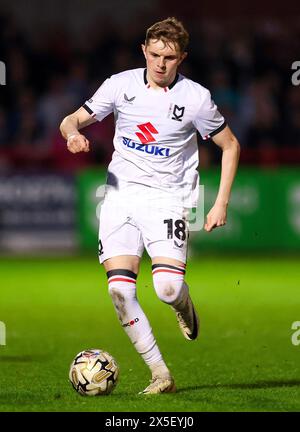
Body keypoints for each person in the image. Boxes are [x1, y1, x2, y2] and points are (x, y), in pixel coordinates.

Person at [60, 17, 240, 394]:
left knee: (168, 289)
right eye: (154, 54)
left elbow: (230, 146)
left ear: (182, 58)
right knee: (119, 291)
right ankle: (161, 375)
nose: (160, 63)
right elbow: (70, 120)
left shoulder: (196, 98)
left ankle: (184, 306)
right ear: (144, 50)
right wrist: (73, 133)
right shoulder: (119, 85)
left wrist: (220, 202)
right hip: (119, 195)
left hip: (168, 198)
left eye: (169, 57)